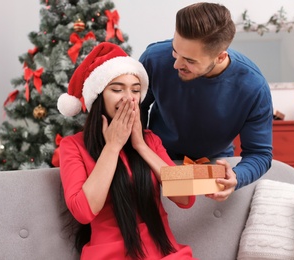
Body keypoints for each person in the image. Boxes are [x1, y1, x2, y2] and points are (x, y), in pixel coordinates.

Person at [57, 42, 197, 259]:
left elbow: (186, 197)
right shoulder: (73, 146)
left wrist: (140, 145)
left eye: (135, 90)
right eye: (116, 89)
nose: (129, 98)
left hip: (166, 253)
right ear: (98, 97)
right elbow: (83, 212)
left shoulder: (149, 141)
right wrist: (112, 147)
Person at [139, 2, 273, 201]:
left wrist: (236, 176)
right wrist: (139, 149)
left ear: (220, 57)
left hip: (214, 163)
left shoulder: (254, 87)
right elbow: (137, 106)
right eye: (175, 51)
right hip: (158, 156)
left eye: (190, 61)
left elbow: (260, 153)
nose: (176, 64)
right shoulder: (154, 58)